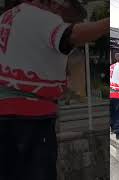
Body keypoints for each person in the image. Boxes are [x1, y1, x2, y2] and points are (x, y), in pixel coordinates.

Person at [0, 0, 108, 179]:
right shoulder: (42, 17)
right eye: (67, 16)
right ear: (57, 4)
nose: (64, 20)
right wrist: (107, 24)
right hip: (30, 116)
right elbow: (71, 36)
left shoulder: (7, 17)